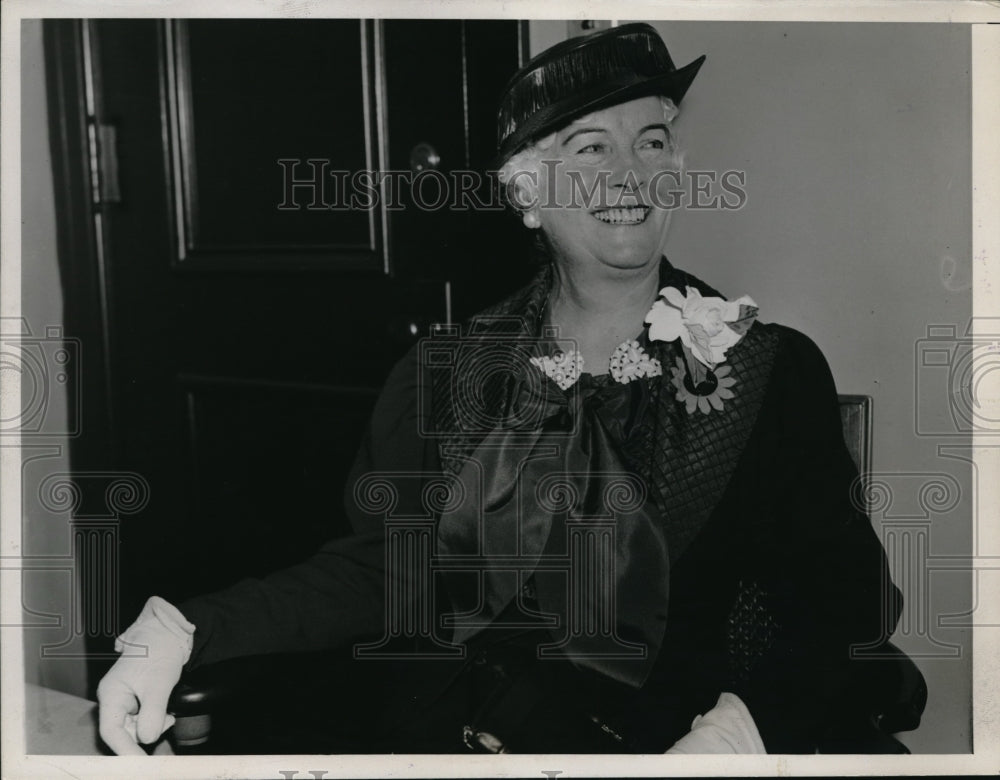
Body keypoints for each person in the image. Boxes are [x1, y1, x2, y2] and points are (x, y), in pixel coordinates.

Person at [97, 23, 902, 756]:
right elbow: (388, 569)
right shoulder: (448, 372)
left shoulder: (766, 370)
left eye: (652, 142)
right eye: (590, 149)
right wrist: (189, 629)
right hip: (459, 732)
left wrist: (743, 729)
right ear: (526, 194)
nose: (630, 174)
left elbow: (846, 601)